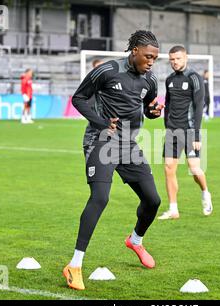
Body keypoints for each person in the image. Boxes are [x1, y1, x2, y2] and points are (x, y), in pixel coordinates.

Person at [63, 30, 164, 291]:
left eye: (155, 58)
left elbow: (148, 108)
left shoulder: (150, 79)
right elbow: (79, 98)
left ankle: (136, 241)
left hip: (128, 145)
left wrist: (153, 112)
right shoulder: (107, 70)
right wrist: (101, 122)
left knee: (153, 200)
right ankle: (74, 265)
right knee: (100, 197)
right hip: (101, 140)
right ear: (135, 52)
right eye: (148, 56)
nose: (152, 61)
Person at [157, 45, 213, 220]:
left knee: (194, 169)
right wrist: (166, 124)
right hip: (172, 131)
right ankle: (173, 209)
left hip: (189, 131)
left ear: (185, 58)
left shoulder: (195, 78)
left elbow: (198, 108)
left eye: (178, 58)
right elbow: (168, 102)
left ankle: (205, 193)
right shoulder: (169, 79)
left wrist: (196, 135)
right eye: (172, 59)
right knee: (168, 169)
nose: (175, 62)